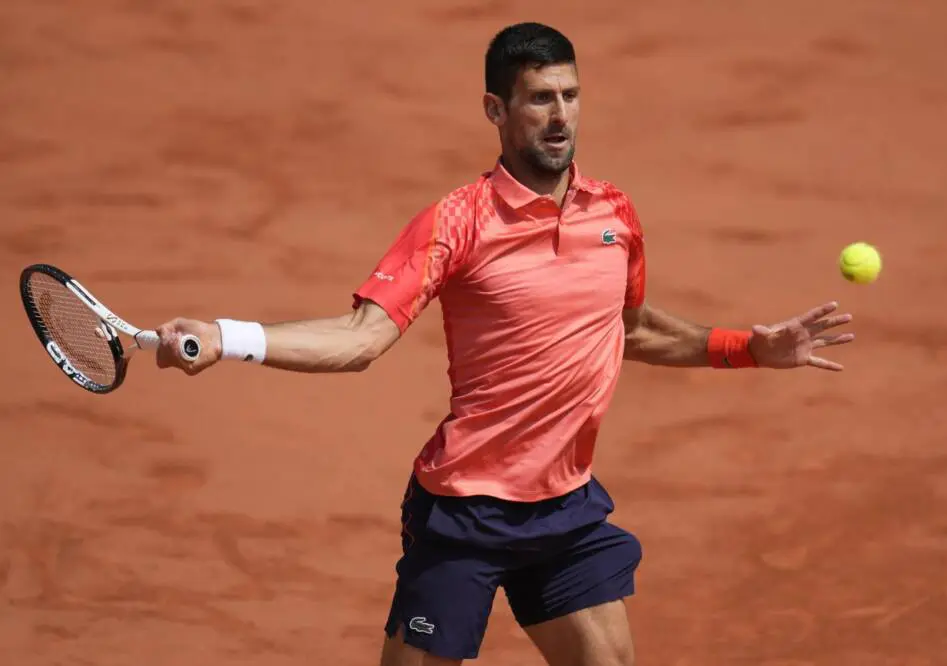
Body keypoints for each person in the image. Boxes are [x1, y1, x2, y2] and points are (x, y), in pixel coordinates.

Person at [154, 21, 855, 666]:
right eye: (540, 99)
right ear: (496, 109)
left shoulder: (614, 213)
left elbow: (631, 326)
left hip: (564, 506)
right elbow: (361, 338)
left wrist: (748, 348)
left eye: (571, 95)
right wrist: (227, 336)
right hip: (467, 508)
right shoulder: (457, 223)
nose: (561, 116)